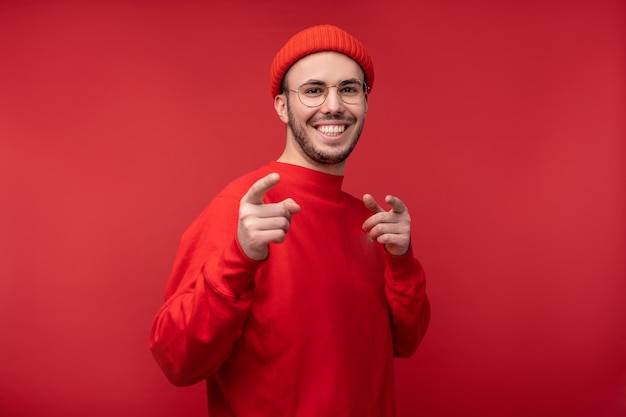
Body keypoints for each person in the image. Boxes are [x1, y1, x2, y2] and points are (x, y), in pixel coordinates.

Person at [149, 24, 430, 417]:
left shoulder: (369, 222)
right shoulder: (244, 209)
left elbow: (406, 342)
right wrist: (239, 259)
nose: (334, 105)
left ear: (365, 102)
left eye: (349, 89)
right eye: (313, 90)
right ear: (282, 106)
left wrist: (402, 263)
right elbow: (176, 360)